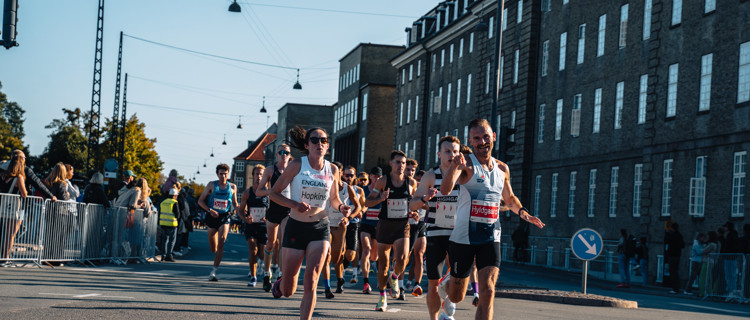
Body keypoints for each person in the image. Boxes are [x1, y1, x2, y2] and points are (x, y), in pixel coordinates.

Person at [438, 119, 545, 320]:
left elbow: (510, 198)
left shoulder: (502, 168)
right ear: (470, 141)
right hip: (463, 238)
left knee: (487, 292)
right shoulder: (466, 163)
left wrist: (524, 213)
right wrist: (454, 167)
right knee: (457, 295)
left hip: (490, 236)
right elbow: (445, 190)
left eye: (486, 136)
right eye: (477, 138)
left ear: (493, 137)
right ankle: (449, 285)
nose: (482, 142)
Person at [268, 126, 351, 320]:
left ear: (327, 145)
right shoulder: (297, 164)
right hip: (296, 226)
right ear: (306, 145)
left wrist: (341, 208)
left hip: (320, 227)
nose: (319, 144)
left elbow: (334, 199)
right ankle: (281, 283)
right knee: (288, 290)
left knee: (312, 281)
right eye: (314, 140)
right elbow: (274, 193)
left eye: (323, 140)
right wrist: (294, 204)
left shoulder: (332, 169)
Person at [408, 136, 461, 320]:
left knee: (458, 279)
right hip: (436, 232)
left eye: (455, 151)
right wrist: (425, 198)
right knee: (432, 283)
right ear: (439, 154)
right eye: (448, 151)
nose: (452, 155)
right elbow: (412, 205)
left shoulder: (464, 175)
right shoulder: (431, 175)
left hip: (458, 234)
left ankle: (449, 290)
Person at [364, 150, 419, 311]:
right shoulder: (382, 181)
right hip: (385, 225)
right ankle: (382, 297)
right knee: (383, 264)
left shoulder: (411, 183)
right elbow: (367, 202)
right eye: (398, 162)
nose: (401, 165)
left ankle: (394, 277)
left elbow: (413, 203)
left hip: (402, 225)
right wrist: (381, 198)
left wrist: (414, 212)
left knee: (403, 259)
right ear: (391, 164)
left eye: (403, 163)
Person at [256, 144, 293, 292]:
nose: (284, 155)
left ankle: (281, 274)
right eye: (281, 152)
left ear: (290, 155)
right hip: (273, 210)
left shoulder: (293, 170)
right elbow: (259, 191)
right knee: (270, 244)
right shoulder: (271, 170)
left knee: (284, 242)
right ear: (277, 155)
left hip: (287, 210)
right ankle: (266, 274)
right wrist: (272, 191)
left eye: (287, 152)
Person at [322, 162, 360, 298]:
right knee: (326, 256)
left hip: (340, 225)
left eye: (334, 174)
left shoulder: (346, 188)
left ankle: (339, 279)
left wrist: (348, 218)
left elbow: (358, 207)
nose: (331, 176)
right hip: (325, 224)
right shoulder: (324, 186)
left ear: (340, 174)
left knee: (337, 258)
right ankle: (327, 287)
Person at [198, 163, 238, 282]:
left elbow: (235, 204)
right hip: (212, 216)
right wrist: (210, 210)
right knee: (213, 248)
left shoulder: (233, 187)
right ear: (217, 174)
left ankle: (213, 271)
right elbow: (200, 201)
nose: (223, 176)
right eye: (221, 174)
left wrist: (240, 210)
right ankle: (215, 255)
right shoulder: (211, 185)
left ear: (228, 174)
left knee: (221, 240)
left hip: (224, 217)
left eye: (225, 174)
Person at [238, 165, 269, 287]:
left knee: (262, 253)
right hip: (251, 225)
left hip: (263, 226)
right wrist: (245, 218)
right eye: (257, 174)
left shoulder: (268, 193)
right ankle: (253, 276)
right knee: (253, 251)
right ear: (252, 176)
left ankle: (261, 264)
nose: (259, 177)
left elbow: (272, 210)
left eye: (261, 174)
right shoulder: (247, 193)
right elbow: (241, 210)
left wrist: (268, 218)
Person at [403, 158, 426, 298]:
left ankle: (417, 284)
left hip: (420, 223)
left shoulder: (421, 186)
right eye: (408, 169)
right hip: (404, 224)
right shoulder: (400, 185)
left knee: (419, 254)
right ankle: (395, 278)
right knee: (404, 257)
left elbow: (426, 204)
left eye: (413, 170)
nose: (410, 172)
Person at [0, 150, 28, 266]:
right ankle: (5, 257)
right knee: (11, 234)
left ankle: (4, 256)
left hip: (3, 205)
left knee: (5, 233)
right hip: (15, 207)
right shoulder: (19, 177)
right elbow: (24, 193)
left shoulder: (3, 175)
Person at [340, 166, 364, 289]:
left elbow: (363, 205)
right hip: (338, 222)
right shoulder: (338, 187)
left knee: (350, 254)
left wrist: (361, 212)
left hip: (353, 222)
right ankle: (340, 276)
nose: (348, 177)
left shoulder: (358, 190)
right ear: (342, 175)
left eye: (351, 175)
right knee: (338, 251)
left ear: (355, 177)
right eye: (346, 175)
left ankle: (344, 267)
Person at [359, 167, 382, 294]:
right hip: (366, 223)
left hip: (378, 226)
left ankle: (381, 278)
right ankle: (366, 282)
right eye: (375, 176)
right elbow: (362, 205)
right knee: (366, 249)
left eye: (379, 177)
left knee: (375, 256)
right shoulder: (364, 190)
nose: (377, 179)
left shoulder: (384, 191)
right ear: (371, 176)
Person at [159, 186, 181, 262]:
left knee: (164, 240)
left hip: (163, 224)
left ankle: (163, 255)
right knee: (171, 241)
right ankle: (169, 255)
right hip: (172, 224)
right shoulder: (175, 203)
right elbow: (177, 215)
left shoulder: (163, 202)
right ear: (175, 196)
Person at [664, 222, 684, 293]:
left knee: (672, 272)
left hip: (672, 256)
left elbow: (667, 241)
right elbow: (683, 245)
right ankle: (677, 287)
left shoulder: (673, 235)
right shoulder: (680, 235)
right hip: (677, 255)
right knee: (675, 272)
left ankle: (675, 288)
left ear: (672, 228)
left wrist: (667, 233)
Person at [721, 221, 741, 295]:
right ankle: (730, 290)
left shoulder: (731, 235)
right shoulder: (732, 234)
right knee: (730, 275)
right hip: (730, 257)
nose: (724, 228)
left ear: (728, 227)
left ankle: (731, 291)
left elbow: (731, 246)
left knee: (730, 275)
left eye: (726, 226)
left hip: (730, 257)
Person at [698, 231, 719, 297]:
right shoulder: (714, 244)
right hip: (710, 262)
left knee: (703, 278)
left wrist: (704, 245)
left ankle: (702, 292)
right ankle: (708, 292)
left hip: (707, 262)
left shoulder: (711, 244)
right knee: (708, 278)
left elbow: (703, 251)